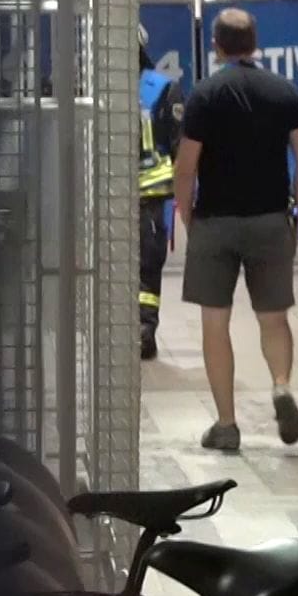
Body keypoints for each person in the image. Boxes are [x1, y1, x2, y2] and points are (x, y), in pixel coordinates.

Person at [175, 8, 298, 452]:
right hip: (270, 220)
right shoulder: (284, 92)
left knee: (215, 324)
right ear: (255, 44)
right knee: (273, 319)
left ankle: (227, 424)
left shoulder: (205, 94)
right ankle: (280, 385)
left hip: (215, 220)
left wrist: (187, 214)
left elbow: (186, 166)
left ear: (216, 45)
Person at [137, 29, 183, 360]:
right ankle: (138, 331)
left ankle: (143, 330)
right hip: (141, 199)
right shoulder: (162, 87)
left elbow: (180, 146)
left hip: (147, 197)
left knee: (147, 268)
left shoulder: (162, 88)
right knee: (143, 267)